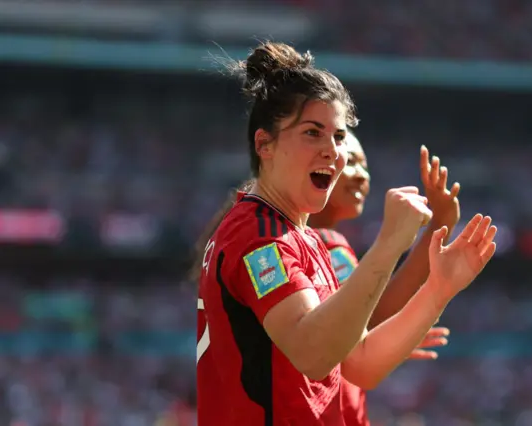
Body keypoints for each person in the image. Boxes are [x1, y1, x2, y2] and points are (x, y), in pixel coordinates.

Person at [196, 41, 498, 425]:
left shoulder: (300, 236)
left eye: (338, 137)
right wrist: (390, 243)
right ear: (264, 144)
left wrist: (439, 288)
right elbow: (314, 354)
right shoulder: (258, 235)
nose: (332, 152)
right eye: (312, 133)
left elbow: (361, 363)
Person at [308, 132, 461, 426]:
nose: (362, 175)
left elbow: (360, 330)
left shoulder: (292, 242)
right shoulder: (326, 244)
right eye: (349, 161)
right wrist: (439, 225)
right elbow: (374, 318)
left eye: (365, 166)